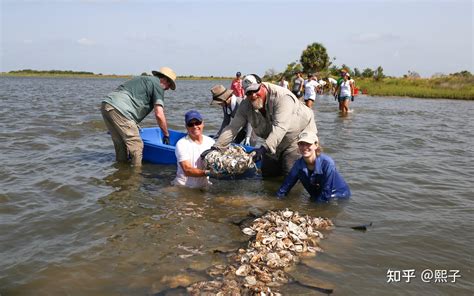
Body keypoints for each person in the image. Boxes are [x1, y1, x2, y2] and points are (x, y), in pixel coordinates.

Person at [206, 74, 318, 178]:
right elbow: (232, 128)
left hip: (297, 137)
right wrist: (216, 147)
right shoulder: (246, 104)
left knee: (290, 175)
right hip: (273, 139)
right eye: (249, 93)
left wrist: (263, 149)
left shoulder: (283, 97)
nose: (253, 96)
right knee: (268, 174)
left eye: (255, 90)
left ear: (262, 86)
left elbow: (280, 127)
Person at [101, 67, 177, 167]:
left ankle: (121, 170)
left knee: (120, 143)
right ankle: (136, 177)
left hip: (107, 105)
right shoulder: (158, 85)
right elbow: (159, 114)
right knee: (137, 145)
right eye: (169, 85)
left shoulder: (142, 79)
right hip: (121, 110)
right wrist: (166, 134)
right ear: (164, 80)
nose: (167, 89)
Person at [276, 132, 351, 202]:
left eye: (308, 144)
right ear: (298, 146)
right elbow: (284, 188)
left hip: (338, 196)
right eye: (301, 144)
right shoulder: (298, 164)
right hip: (318, 196)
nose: (304, 147)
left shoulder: (327, 163)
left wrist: (314, 210)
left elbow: (326, 192)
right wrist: (276, 201)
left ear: (316, 145)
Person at [172, 110, 215, 189]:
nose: (195, 126)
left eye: (197, 123)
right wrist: (208, 173)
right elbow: (187, 170)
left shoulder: (211, 142)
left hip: (204, 185)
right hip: (184, 187)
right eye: (190, 124)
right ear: (186, 126)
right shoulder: (182, 144)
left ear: (203, 124)